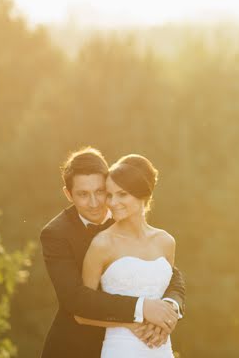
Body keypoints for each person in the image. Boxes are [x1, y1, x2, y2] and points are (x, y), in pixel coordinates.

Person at [40, 148, 185, 358]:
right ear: (68, 194)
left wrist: (169, 310)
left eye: (100, 191)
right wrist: (141, 311)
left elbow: (169, 274)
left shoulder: (126, 214)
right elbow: (75, 299)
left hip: (148, 342)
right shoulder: (56, 234)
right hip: (78, 347)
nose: (95, 202)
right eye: (82, 194)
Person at [76, 153, 179, 357]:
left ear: (142, 195)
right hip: (121, 349)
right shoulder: (102, 244)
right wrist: (130, 323)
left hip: (161, 349)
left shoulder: (166, 242)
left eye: (122, 194)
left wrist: (163, 324)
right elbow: (82, 313)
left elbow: (170, 293)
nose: (113, 202)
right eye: (110, 195)